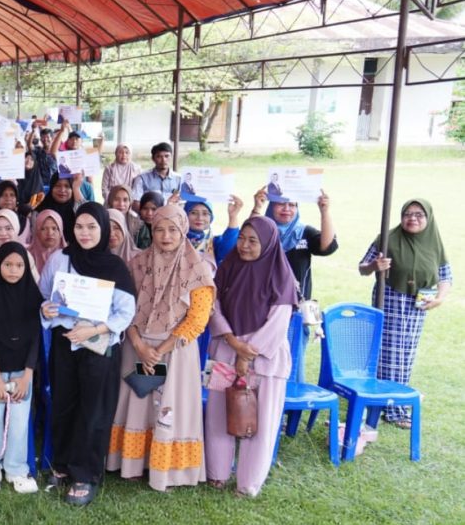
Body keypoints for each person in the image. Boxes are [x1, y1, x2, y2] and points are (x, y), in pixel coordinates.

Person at [107, 206, 215, 491]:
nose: (165, 236)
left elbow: (198, 318)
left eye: (172, 230)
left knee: (170, 408)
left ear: (183, 231)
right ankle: (132, 464)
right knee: (136, 404)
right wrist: (140, 345)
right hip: (137, 345)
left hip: (177, 349)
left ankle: (166, 469)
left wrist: (162, 349)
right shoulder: (138, 264)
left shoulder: (198, 269)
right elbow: (124, 307)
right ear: (151, 231)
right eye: (159, 229)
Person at [38, 201, 137, 507]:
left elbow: (125, 312)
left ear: (103, 229)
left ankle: (85, 475)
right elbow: (44, 294)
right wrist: (46, 308)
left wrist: (94, 330)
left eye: (92, 227)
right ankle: (62, 465)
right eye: (79, 226)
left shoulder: (115, 267)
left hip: (98, 346)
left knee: (93, 410)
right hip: (65, 342)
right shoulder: (60, 259)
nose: (85, 233)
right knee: (64, 404)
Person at [203, 216, 296, 497]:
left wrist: (247, 354)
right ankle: (217, 473)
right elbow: (213, 305)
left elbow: (279, 321)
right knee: (218, 414)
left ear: (267, 243)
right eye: (242, 238)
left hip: (265, 357)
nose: (244, 245)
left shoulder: (281, 274)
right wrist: (232, 341)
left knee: (260, 421)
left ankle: (248, 483)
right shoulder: (229, 266)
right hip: (226, 349)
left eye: (253, 241)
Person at [358, 200, 452, 427]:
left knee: (405, 356)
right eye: (407, 214)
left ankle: (391, 400)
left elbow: (445, 275)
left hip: (418, 306)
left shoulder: (434, 242)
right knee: (388, 354)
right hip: (389, 300)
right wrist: (375, 266)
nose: (412, 218)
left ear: (428, 218)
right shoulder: (387, 238)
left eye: (419, 214)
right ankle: (391, 407)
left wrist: (439, 298)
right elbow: (362, 267)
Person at [0, 242, 42, 494]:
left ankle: (16, 468)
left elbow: (36, 339)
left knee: (19, 420)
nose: (14, 270)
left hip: (23, 372)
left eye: (19, 265)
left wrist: (28, 375)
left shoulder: (33, 298)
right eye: (8, 264)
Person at [253, 189, 336, 300]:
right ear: (271, 206)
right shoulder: (261, 231)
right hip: (262, 301)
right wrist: (257, 207)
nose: (286, 209)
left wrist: (324, 212)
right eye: (281, 203)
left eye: (292, 205)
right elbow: (247, 241)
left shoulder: (305, 232)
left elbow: (327, 246)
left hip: (297, 303)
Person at [185, 197, 243, 267]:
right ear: (184, 215)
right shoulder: (176, 239)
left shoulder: (214, 243)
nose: (200, 218)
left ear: (211, 218)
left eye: (205, 213)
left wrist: (233, 217)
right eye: (193, 213)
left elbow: (228, 249)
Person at [29, 209, 66, 275]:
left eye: (54, 228)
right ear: (37, 232)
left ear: (60, 232)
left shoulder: (71, 257)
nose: (50, 233)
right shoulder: (26, 256)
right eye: (44, 229)